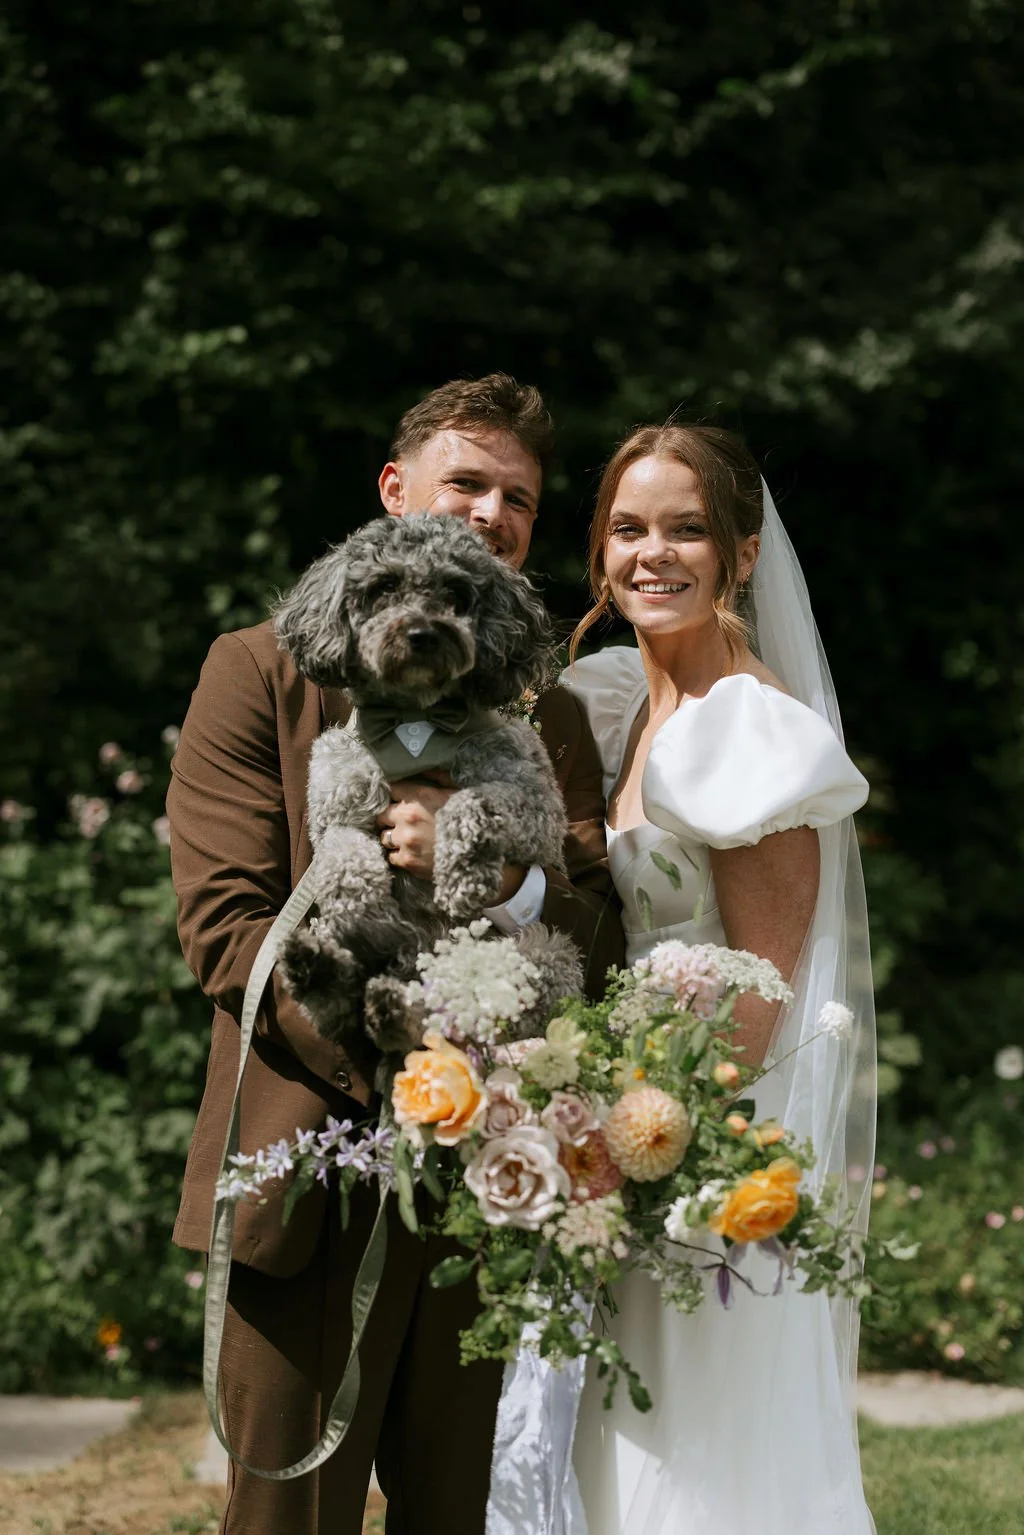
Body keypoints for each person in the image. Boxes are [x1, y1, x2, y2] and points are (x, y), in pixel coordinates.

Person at [167, 373, 624, 1535]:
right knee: (287, 1519)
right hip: (306, 1165)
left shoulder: (545, 710)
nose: (489, 512)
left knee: (455, 1512)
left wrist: (501, 881)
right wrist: (403, 1062)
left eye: (516, 499)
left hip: (486, 1185)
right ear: (395, 489)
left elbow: (595, 924)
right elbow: (225, 929)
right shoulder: (258, 669)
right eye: (465, 481)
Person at [541, 424, 876, 1534]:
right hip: (611, 1113)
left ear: (739, 555)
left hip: (700, 1142)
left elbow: (759, 993)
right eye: (628, 528)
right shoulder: (618, 702)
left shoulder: (749, 729)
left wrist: (640, 1145)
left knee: (687, 1447)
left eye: (686, 528)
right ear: (597, 554)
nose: (653, 552)